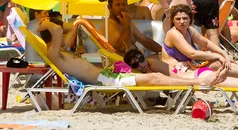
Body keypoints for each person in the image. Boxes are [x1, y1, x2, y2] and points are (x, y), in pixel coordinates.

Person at [38, 18, 223, 87]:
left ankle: (193, 80)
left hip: (108, 75)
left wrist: (53, 24)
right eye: (60, 35)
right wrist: (44, 21)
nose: (63, 37)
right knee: (154, 79)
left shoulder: (61, 51)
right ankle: (198, 81)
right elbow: (57, 31)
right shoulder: (53, 53)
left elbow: (69, 28)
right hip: (106, 81)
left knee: (154, 74)